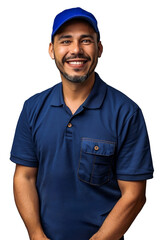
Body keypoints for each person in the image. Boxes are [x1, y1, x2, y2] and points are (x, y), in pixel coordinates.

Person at [10, 7, 154, 240]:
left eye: (86, 40)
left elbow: (134, 195)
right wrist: (36, 234)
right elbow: (24, 177)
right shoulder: (32, 108)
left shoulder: (126, 113)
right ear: (52, 50)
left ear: (99, 48)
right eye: (66, 41)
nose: (76, 50)